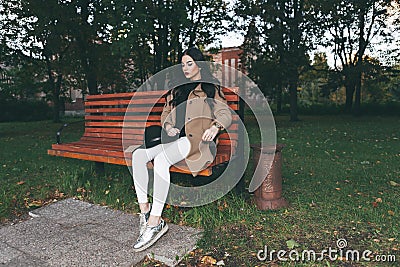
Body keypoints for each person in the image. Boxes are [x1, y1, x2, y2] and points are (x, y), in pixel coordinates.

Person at [131, 47, 232, 251]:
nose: (185, 68)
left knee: (161, 160)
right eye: (183, 64)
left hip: (196, 142)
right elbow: (165, 114)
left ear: (199, 64)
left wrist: (215, 126)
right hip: (173, 140)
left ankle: (155, 222)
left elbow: (225, 113)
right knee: (138, 155)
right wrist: (168, 126)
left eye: (190, 63)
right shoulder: (177, 89)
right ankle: (145, 211)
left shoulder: (210, 88)